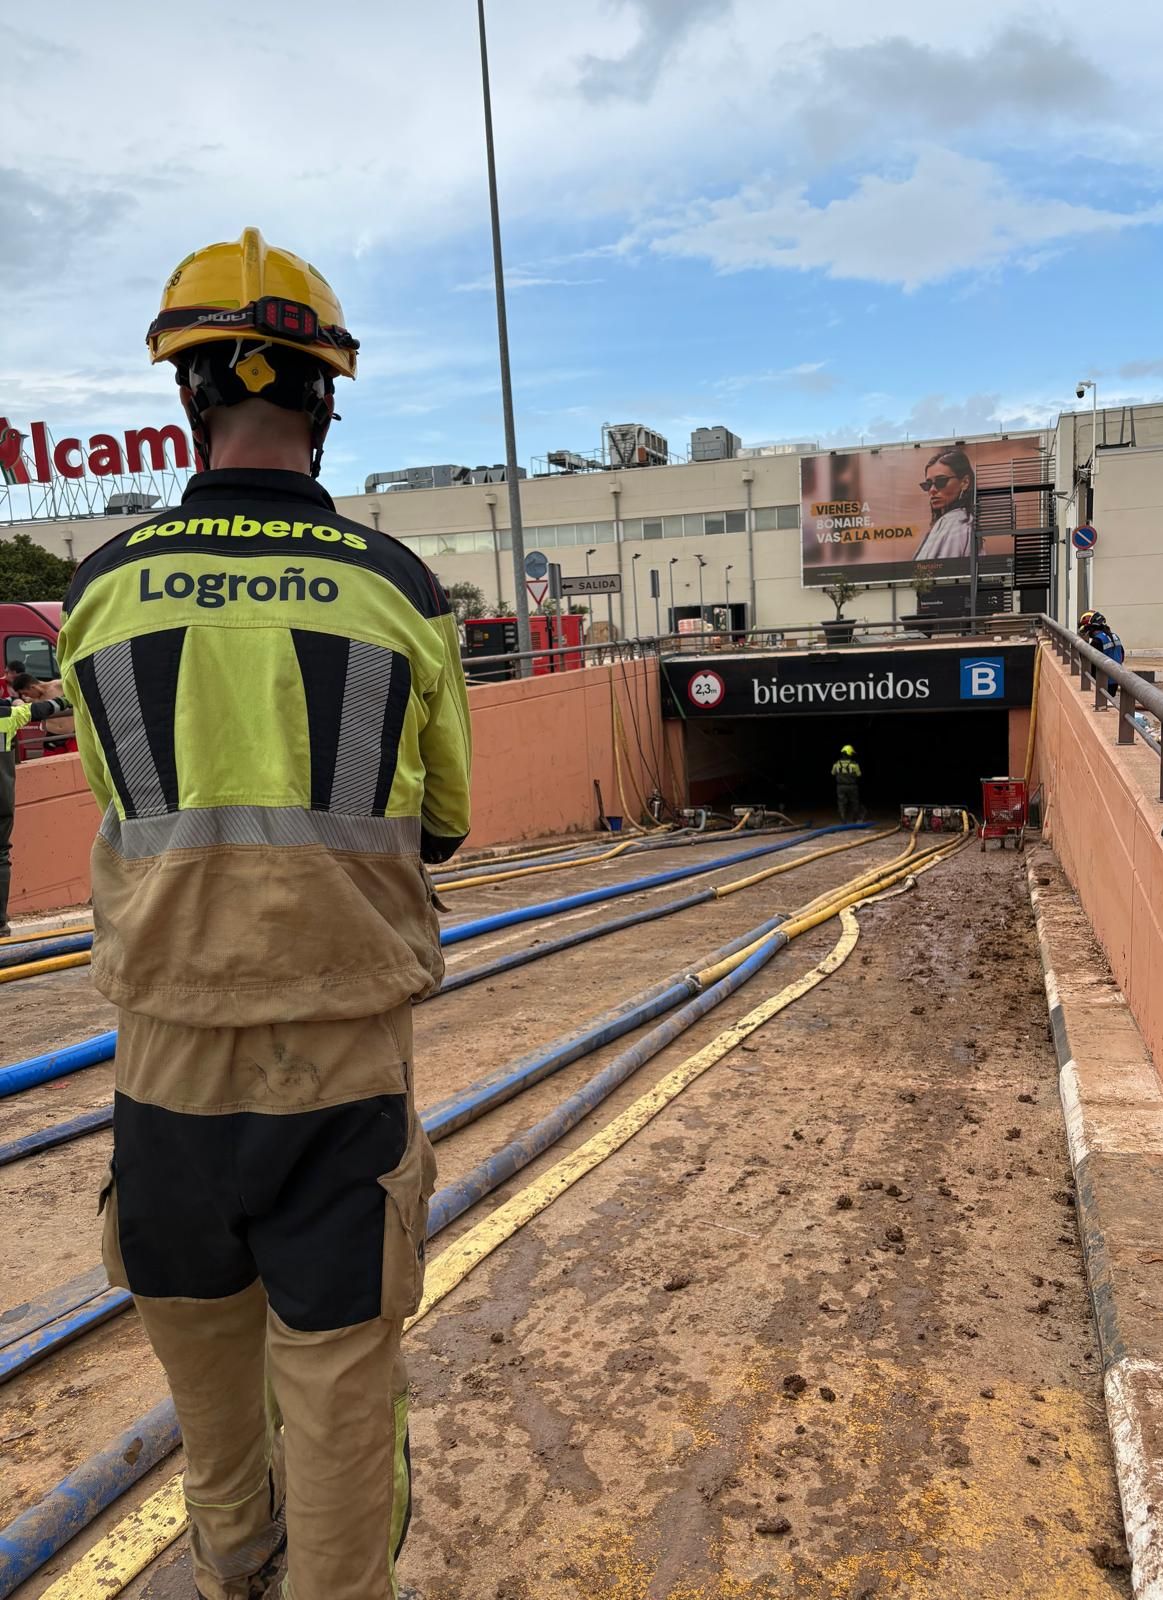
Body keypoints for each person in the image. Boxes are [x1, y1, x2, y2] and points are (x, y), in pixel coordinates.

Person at [57, 227, 472, 1600]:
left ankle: (234, 1566)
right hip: (341, 1057)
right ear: (325, 399)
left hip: (163, 1057)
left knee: (207, 1370)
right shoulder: (397, 590)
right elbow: (446, 821)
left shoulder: (98, 595)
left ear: (190, 396)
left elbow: (124, 794)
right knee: (343, 1382)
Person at [0, 686, 72, 936]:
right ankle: (0, 924)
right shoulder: (9, 717)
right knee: (1, 856)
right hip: (2, 801)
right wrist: (67, 699)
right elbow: (42, 709)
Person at [913, 447, 975, 562]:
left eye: (941, 481)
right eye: (927, 484)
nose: (932, 490)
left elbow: (942, 572)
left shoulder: (954, 521)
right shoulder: (964, 519)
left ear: (965, 482)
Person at [12, 672, 77, 753]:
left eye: (25, 693)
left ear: (33, 687)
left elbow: (79, 684)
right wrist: (19, 702)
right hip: (52, 737)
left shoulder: (57, 685)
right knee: (50, 765)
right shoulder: (32, 700)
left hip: (72, 735)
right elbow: (15, 703)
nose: (26, 696)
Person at [1079, 610, 1125, 694]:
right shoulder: (1115, 636)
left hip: (1103, 681)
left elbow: (1090, 664)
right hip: (1116, 679)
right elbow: (1121, 656)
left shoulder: (1097, 641)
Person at [832, 744, 864, 822]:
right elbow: (859, 774)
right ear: (850, 754)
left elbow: (833, 773)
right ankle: (854, 819)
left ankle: (843, 819)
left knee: (841, 803)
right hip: (852, 786)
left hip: (840, 787)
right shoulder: (854, 765)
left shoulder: (837, 764)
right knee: (854, 802)